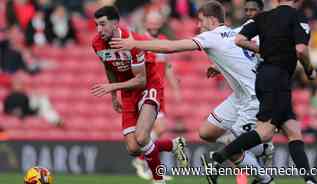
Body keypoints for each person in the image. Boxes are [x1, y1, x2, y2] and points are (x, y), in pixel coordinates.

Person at [109, 1, 273, 184]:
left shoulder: (212, 37)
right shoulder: (242, 30)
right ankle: (263, 148)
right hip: (239, 96)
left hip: (254, 98)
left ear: (211, 20)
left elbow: (171, 46)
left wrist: (135, 43)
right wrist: (221, 67)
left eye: (200, 20)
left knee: (231, 148)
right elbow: (251, 52)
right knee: (206, 133)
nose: (198, 25)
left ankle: (265, 179)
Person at [203, 0, 317, 184]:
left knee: (293, 131)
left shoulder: (263, 17)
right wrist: (309, 69)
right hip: (277, 78)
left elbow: (239, 40)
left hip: (267, 77)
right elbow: (301, 50)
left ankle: (309, 180)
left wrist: (265, 51)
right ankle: (219, 157)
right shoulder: (297, 16)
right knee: (265, 132)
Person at [90, 6, 188, 184]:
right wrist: (114, 96)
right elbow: (108, 66)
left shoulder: (131, 41)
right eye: (97, 25)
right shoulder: (97, 43)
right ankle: (172, 145)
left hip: (148, 87)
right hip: (128, 93)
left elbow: (141, 80)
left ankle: (159, 180)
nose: (99, 29)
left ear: (115, 23)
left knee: (143, 137)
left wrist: (111, 88)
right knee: (134, 149)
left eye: (103, 24)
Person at [131, 11, 182, 181]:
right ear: (145, 23)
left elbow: (167, 68)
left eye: (156, 22)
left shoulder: (164, 43)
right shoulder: (139, 41)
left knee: (154, 131)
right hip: (145, 92)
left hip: (159, 92)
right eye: (151, 22)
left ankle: (151, 169)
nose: (153, 25)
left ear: (161, 23)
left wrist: (175, 88)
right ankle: (141, 160)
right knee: (160, 128)